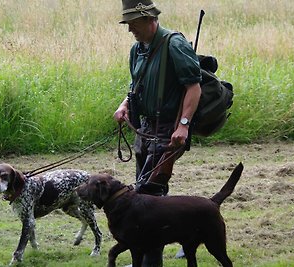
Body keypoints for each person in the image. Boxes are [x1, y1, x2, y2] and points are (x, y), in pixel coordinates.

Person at [113, 0, 202, 266]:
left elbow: (194, 87)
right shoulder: (137, 49)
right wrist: (125, 104)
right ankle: (165, 246)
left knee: (150, 197)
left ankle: (152, 261)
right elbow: (136, 85)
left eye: (133, 24)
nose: (130, 30)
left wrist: (183, 124)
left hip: (168, 130)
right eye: (128, 24)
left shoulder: (175, 45)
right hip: (145, 129)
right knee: (144, 194)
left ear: (149, 19)